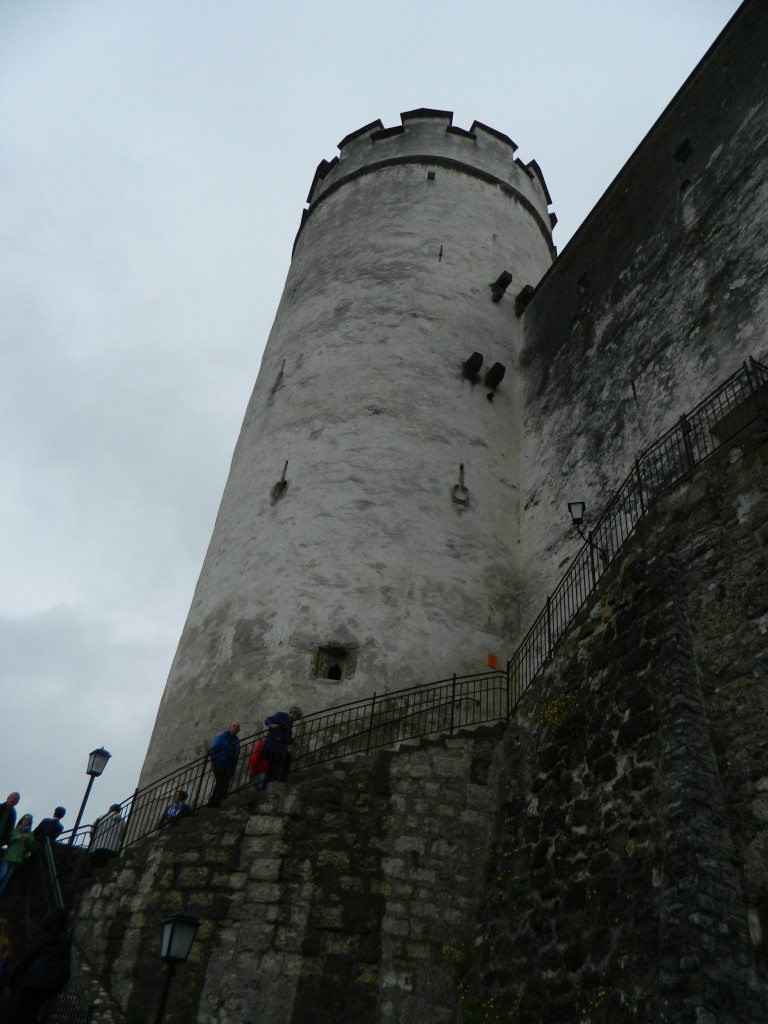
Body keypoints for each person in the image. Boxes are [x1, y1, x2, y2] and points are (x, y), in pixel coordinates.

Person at [8, 906, 71, 1023]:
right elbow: (66, 965)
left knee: (21, 1014)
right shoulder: (65, 939)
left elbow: (27, 958)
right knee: (33, 1012)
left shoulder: (42, 936)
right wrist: (60, 986)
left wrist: (12, 979)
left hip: (32, 981)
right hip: (50, 984)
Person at [263, 706, 303, 784]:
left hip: (276, 746)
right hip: (273, 745)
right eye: (297, 715)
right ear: (293, 713)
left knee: (273, 764)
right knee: (286, 757)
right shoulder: (282, 715)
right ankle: (280, 779)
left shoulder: (290, 722)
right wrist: (271, 725)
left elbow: (286, 736)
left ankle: (271, 780)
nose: (297, 718)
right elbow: (268, 720)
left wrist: (292, 741)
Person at [208, 722, 241, 807]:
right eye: (234, 726)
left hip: (229, 767)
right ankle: (216, 803)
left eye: (237, 727)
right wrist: (218, 762)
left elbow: (236, 754)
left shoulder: (237, 740)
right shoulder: (222, 737)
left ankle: (217, 802)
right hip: (220, 764)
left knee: (223, 784)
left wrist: (233, 767)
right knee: (221, 783)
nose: (236, 728)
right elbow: (213, 749)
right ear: (229, 727)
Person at [0, 815, 34, 896]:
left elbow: (30, 845)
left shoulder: (30, 833)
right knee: (2, 874)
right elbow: (8, 841)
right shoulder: (15, 830)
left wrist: (28, 838)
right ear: (21, 820)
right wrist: (17, 837)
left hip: (18, 857)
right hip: (8, 855)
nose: (25, 821)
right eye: (24, 819)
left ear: (30, 822)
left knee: (7, 878)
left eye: (28, 820)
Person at [89, 804, 125, 871]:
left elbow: (92, 832)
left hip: (98, 846)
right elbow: (123, 837)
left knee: (94, 868)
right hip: (113, 849)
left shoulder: (101, 817)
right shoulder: (123, 822)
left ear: (110, 809)